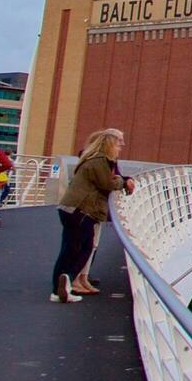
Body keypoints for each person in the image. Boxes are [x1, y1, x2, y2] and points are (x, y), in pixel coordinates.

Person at [50, 129, 134, 303]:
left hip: (71, 208)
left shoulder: (92, 158)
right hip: (82, 210)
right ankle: (66, 279)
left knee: (72, 248)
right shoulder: (100, 161)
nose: (121, 147)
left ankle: (61, 285)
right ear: (109, 144)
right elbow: (107, 183)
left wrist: (121, 180)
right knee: (81, 248)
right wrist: (124, 182)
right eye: (118, 144)